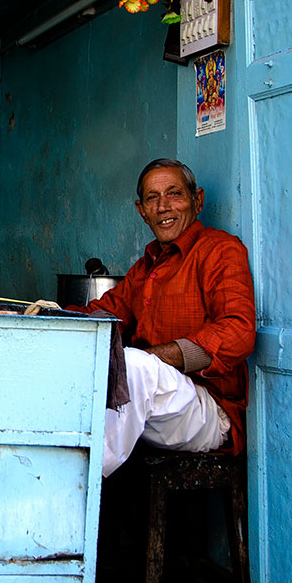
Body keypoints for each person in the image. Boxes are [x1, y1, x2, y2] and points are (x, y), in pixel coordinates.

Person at [73, 158, 256, 477]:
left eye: (174, 194)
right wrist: (40, 316)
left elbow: (238, 332)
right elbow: (100, 316)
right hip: (156, 406)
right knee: (80, 362)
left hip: (208, 410)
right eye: (152, 198)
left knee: (133, 364)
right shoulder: (146, 267)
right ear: (141, 211)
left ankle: (77, 480)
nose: (162, 207)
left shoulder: (220, 250)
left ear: (197, 200)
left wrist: (155, 358)